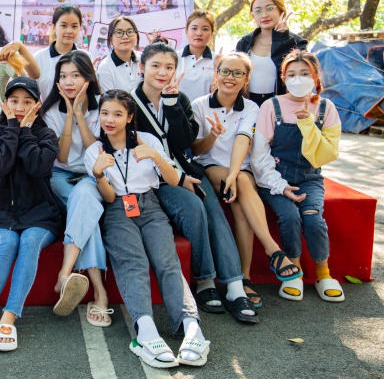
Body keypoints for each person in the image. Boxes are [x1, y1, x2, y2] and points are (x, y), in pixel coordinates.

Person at [132, 43, 257, 323]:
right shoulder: (129, 102)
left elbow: (184, 142)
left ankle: (235, 286)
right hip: (152, 180)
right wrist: (176, 177)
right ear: (142, 67)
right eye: (155, 66)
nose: (162, 72)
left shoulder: (181, 99)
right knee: (193, 206)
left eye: (169, 67)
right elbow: (132, 151)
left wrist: (172, 104)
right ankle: (205, 280)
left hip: (186, 169)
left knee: (212, 207)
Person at [85, 90, 209, 369]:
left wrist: (156, 156)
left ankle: (190, 325)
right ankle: (145, 330)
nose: (110, 120)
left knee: (167, 262)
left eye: (117, 114)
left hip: (150, 205)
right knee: (133, 262)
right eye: (105, 113)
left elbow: (173, 180)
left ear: (130, 117)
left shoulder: (148, 141)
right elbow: (108, 197)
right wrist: (98, 174)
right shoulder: (94, 151)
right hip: (118, 209)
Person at [190, 52, 302, 308]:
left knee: (241, 202)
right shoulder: (199, 105)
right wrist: (213, 136)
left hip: (240, 169)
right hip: (211, 166)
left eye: (237, 73)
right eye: (225, 71)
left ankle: (244, 278)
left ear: (246, 79)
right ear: (216, 73)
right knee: (240, 181)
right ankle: (272, 250)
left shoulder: (252, 108)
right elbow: (196, 149)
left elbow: (243, 139)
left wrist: (233, 173)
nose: (230, 78)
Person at [0, 78, 64, 353]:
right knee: (8, 244)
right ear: (5, 104)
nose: (20, 107)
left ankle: (9, 317)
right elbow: (2, 165)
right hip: (3, 211)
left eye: (27, 101)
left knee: (30, 242)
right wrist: (12, 128)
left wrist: (26, 132)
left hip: (41, 212)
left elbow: (37, 167)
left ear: (37, 104)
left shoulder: (47, 135)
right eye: (14, 101)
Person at [252, 50, 344, 302]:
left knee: (314, 219)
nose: (298, 78)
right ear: (283, 78)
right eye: (291, 74)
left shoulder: (326, 108)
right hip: (275, 178)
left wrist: (307, 125)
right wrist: (280, 186)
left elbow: (326, 154)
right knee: (290, 217)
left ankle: (324, 273)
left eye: (305, 73)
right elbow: (259, 154)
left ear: (315, 76)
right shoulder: (271, 106)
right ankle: (294, 269)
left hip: (310, 177)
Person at [41, 51, 112, 327]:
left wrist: (80, 113)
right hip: (59, 176)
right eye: (63, 76)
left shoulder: (102, 105)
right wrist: (69, 115)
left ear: (88, 78)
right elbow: (61, 156)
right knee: (86, 210)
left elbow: (95, 152)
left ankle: (65, 273)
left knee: (84, 197)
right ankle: (100, 293)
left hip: (91, 175)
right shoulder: (50, 111)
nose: (69, 82)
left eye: (75, 75)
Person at [236, 0, 307, 105]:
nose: (264, 15)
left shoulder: (296, 43)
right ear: (253, 15)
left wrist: (281, 39)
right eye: (258, 11)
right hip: (248, 104)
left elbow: (297, 76)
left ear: (281, 10)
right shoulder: (244, 43)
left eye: (269, 8)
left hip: (282, 104)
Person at [34, 5, 85, 103]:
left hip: (77, 112)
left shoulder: (85, 57)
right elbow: (31, 92)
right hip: (45, 112)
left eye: (74, 26)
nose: (69, 31)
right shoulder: (39, 58)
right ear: (53, 28)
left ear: (80, 28)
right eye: (64, 26)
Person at [177, 9, 217, 101]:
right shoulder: (174, 58)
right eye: (194, 28)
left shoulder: (218, 61)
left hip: (206, 109)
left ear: (211, 33)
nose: (199, 33)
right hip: (177, 109)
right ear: (186, 31)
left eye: (205, 29)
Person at [96, 16, 142, 93]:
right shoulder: (105, 67)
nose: (125, 36)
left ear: (136, 36)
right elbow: (108, 99)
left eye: (130, 32)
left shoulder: (144, 59)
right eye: (119, 33)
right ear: (110, 39)